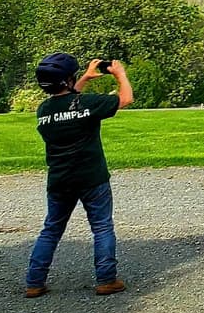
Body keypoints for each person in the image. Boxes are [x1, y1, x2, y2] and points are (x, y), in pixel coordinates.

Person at [23, 52, 133, 297]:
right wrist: (120, 74)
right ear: (67, 80)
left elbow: (68, 104)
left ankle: (34, 282)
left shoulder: (43, 110)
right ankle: (106, 280)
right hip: (91, 177)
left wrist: (85, 78)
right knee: (102, 227)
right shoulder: (89, 104)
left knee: (51, 229)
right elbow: (125, 99)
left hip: (60, 180)